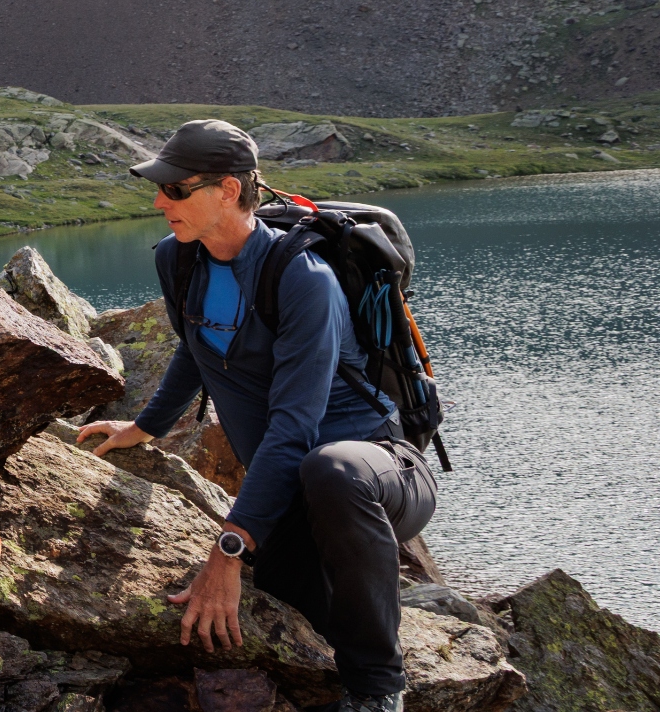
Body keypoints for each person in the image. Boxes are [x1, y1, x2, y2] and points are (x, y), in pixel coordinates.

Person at [77, 120, 436, 712]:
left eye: (175, 188)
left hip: (377, 475)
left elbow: (294, 426)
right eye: (160, 187)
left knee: (332, 468)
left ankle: (380, 690)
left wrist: (227, 550)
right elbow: (194, 350)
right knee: (301, 619)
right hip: (292, 494)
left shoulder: (303, 278)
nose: (160, 201)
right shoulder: (179, 259)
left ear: (228, 190)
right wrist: (142, 428)